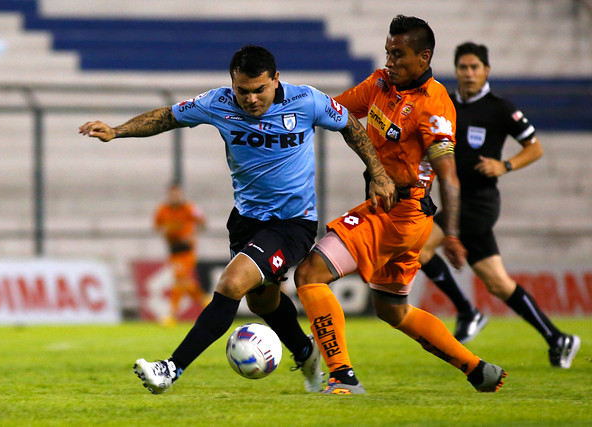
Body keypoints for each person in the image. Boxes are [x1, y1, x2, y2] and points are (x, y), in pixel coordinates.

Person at [79, 45, 395, 394]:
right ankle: (305, 352)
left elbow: (350, 124)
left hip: (293, 223)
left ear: (276, 79)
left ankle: (170, 369)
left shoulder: (307, 101)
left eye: (259, 89)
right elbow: (168, 116)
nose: (250, 99)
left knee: (231, 284)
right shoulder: (218, 103)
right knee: (262, 302)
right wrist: (117, 130)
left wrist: (377, 172)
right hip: (245, 220)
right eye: (242, 91)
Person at [294, 15, 506, 394]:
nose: (390, 61)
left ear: (424, 58)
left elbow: (450, 177)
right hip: (399, 216)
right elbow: (332, 111)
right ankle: (477, 370)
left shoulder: (434, 107)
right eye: (388, 52)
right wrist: (288, 108)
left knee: (310, 273)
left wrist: (453, 235)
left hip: (399, 216)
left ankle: (342, 377)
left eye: (400, 55)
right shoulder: (380, 84)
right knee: (392, 310)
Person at [417, 42, 581, 364]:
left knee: (419, 247)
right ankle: (557, 338)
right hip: (453, 203)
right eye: (463, 68)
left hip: (478, 204)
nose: (468, 74)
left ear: (486, 71)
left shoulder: (500, 108)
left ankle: (467, 313)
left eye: (474, 67)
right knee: (498, 283)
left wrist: (504, 165)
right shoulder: (446, 103)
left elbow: (534, 148)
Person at [153, 182, 207, 325]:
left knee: (179, 278)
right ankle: (205, 300)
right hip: (174, 250)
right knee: (183, 280)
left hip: (187, 249)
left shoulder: (189, 208)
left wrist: (193, 234)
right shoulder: (162, 210)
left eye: (177, 194)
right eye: (172, 194)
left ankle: (172, 315)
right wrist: (166, 231)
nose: (174, 197)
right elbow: (157, 226)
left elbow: (203, 222)